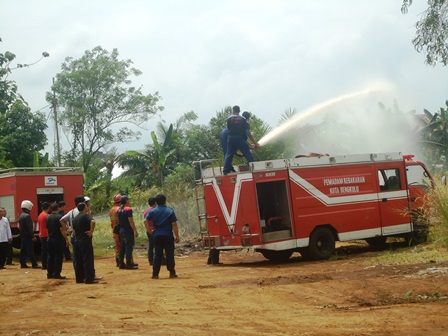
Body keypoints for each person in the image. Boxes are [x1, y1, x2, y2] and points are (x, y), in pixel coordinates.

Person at [144, 194, 179, 279]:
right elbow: (174, 224)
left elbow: (145, 221)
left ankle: (155, 274)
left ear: (156, 202)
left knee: (157, 254)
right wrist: (177, 235)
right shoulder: (170, 211)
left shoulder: (152, 211)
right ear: (165, 200)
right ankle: (171, 273)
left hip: (157, 235)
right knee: (169, 254)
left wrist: (150, 232)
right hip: (168, 235)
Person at [223, 105, 260, 175]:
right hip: (240, 138)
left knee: (229, 154)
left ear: (233, 111)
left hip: (230, 138)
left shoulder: (229, 119)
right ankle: (253, 165)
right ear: (239, 111)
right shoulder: (243, 119)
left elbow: (228, 129)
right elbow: (249, 134)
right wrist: (255, 144)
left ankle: (226, 169)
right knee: (247, 152)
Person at [72, 202, 97, 284]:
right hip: (85, 241)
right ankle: (89, 279)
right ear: (84, 208)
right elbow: (93, 221)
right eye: (86, 206)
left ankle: (79, 279)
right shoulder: (86, 215)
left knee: (78, 260)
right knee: (87, 260)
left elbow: (74, 230)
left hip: (77, 241)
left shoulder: (75, 218)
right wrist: (91, 231)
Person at [60, 195, 85, 267]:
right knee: (85, 256)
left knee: (76, 256)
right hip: (82, 237)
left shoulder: (71, 212)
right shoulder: (83, 213)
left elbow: (61, 220)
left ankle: (78, 273)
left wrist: (67, 230)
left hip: (73, 236)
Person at [46, 203, 68, 279]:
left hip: (50, 239)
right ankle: (56, 273)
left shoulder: (48, 217)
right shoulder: (59, 217)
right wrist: (66, 239)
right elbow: (62, 229)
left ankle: (49, 273)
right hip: (58, 239)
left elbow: (47, 228)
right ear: (58, 208)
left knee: (50, 256)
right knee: (58, 256)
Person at [117, 195, 139, 270]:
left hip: (121, 230)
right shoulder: (128, 209)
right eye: (128, 200)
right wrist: (135, 230)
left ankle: (121, 263)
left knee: (122, 247)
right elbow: (131, 221)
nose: (129, 201)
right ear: (126, 201)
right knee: (129, 246)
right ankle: (129, 263)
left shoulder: (119, 209)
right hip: (128, 231)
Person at [143, 197, 166, 266]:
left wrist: (148, 230)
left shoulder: (146, 211)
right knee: (159, 245)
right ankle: (161, 259)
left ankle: (151, 260)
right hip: (155, 230)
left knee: (151, 245)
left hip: (149, 230)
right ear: (155, 202)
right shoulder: (155, 211)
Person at [19, 200, 41, 269]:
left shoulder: (21, 216)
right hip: (28, 236)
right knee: (30, 250)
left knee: (23, 250)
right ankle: (34, 264)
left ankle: (22, 263)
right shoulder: (27, 216)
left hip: (23, 236)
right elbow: (29, 228)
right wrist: (33, 236)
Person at [109, 194, 122, 267]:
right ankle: (121, 261)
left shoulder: (111, 210)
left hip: (114, 230)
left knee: (117, 246)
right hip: (120, 229)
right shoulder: (120, 209)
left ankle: (117, 260)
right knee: (122, 245)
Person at [37, 202, 51, 270]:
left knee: (44, 251)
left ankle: (44, 264)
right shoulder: (46, 216)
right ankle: (47, 264)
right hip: (46, 235)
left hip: (41, 234)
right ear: (48, 208)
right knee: (48, 251)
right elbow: (48, 226)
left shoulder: (40, 215)